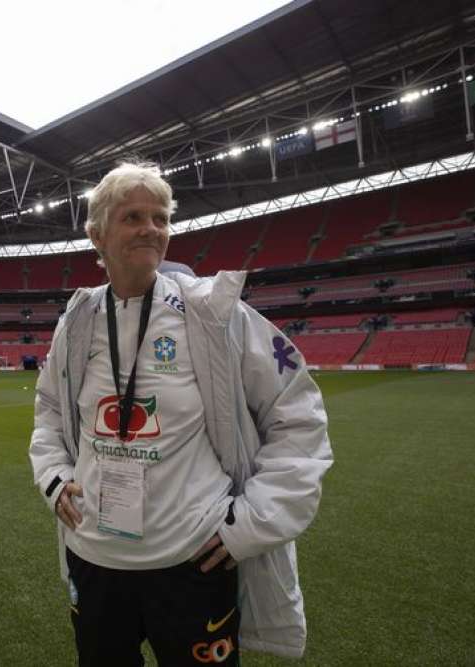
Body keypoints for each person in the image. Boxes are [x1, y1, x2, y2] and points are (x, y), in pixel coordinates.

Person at [29, 161, 332, 666]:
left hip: (192, 560)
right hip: (95, 558)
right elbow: (49, 412)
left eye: (160, 218)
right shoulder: (77, 321)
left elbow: (297, 415)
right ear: (97, 235)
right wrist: (56, 479)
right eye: (132, 217)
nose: (151, 228)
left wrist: (250, 524)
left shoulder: (215, 313)